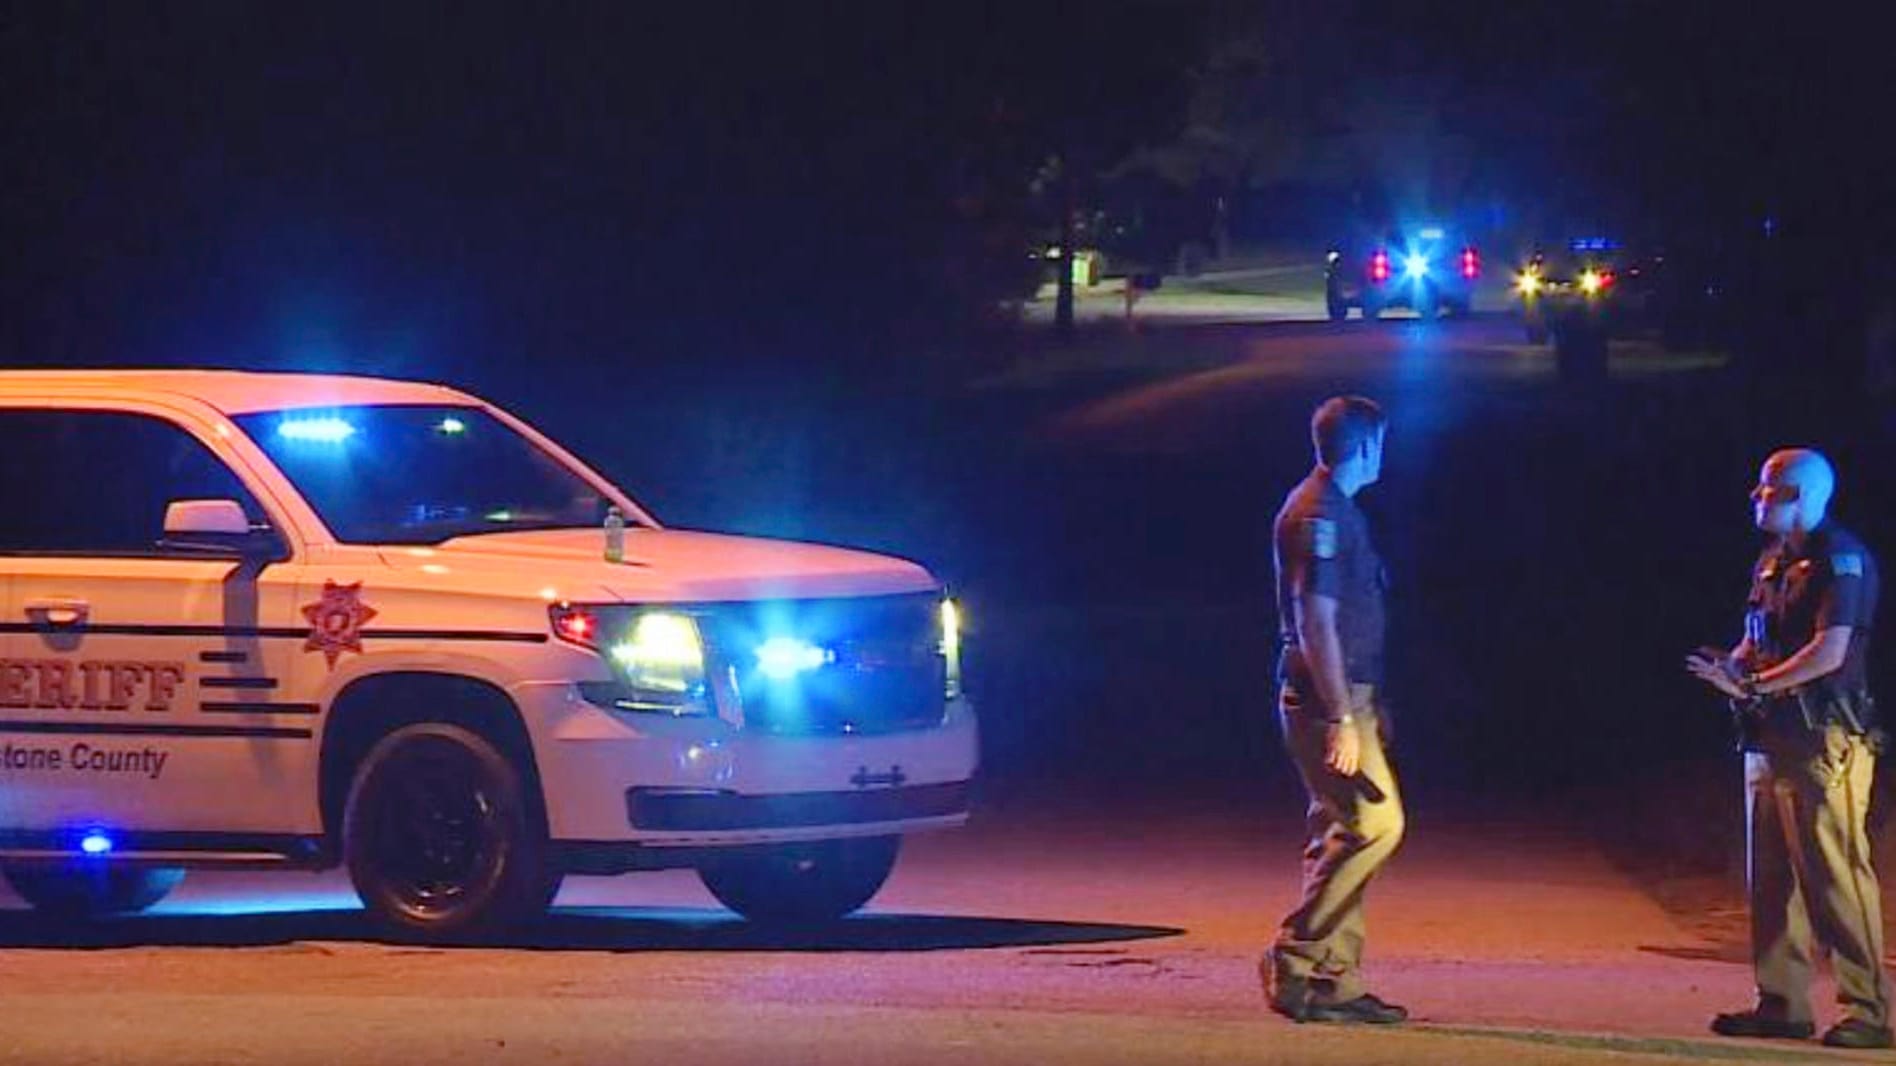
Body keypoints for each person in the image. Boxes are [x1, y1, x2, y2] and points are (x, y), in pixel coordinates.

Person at [1686, 448, 1892, 1049]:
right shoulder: (1776, 561)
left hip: (1822, 736)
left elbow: (1830, 653)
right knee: (1772, 876)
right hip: (1770, 732)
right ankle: (1782, 1002)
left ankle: (1867, 1010)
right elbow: (1758, 639)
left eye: (1768, 489)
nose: (1756, 496)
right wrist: (1733, 667)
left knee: (1836, 875)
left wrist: (1749, 683)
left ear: (1801, 497)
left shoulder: (1840, 560)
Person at [1260, 395, 1407, 1025]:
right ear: (1369, 446)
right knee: (1377, 825)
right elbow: (1314, 619)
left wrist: (1371, 702)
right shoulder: (1318, 514)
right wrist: (1344, 716)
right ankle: (1293, 955)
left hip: (1351, 694)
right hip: (1326, 700)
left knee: (1339, 833)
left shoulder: (1338, 510)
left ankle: (1334, 982)